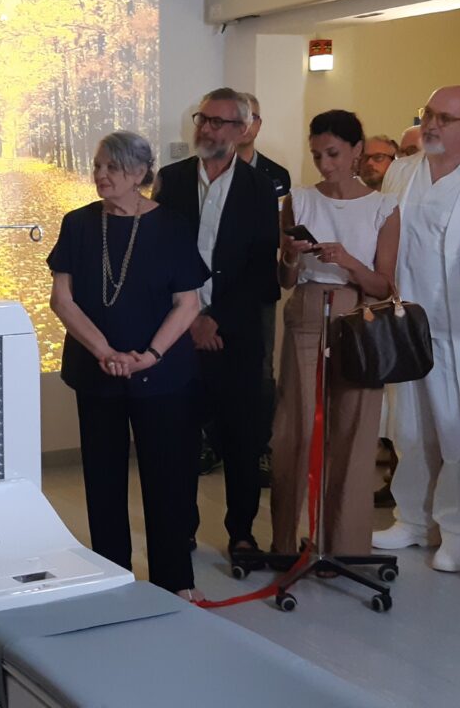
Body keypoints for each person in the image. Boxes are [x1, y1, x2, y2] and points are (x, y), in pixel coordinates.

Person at [48, 131, 207, 600]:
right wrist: (105, 352)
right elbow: (62, 299)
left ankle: (174, 582)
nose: (100, 175)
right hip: (96, 372)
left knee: (167, 479)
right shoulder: (78, 223)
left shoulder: (172, 226)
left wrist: (151, 355)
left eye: (112, 168)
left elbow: (188, 303)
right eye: (98, 165)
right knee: (102, 480)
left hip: (162, 373)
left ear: (139, 173)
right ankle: (111, 579)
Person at [154, 88, 279, 563]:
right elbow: (161, 258)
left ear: (242, 130)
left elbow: (259, 270)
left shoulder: (260, 189)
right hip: (178, 334)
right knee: (179, 439)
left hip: (235, 336)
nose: (206, 129)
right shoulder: (171, 180)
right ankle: (180, 530)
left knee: (241, 439)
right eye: (202, 119)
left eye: (218, 122)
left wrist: (214, 319)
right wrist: (190, 321)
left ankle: (242, 532)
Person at [270, 110, 400, 557]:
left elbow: (384, 286)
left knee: (354, 431)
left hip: (359, 316)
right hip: (307, 309)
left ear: (356, 150)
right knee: (294, 428)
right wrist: (290, 255)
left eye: (333, 154)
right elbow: (286, 279)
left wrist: (346, 260)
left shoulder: (384, 206)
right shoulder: (299, 200)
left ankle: (343, 546)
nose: (325, 165)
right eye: (317, 155)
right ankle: (285, 543)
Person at [372, 86, 460, 572]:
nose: (431, 124)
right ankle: (412, 519)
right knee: (407, 428)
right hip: (407, 323)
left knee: (454, 434)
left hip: (456, 331)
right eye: (429, 114)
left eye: (445, 118)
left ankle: (455, 532)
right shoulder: (403, 172)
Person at [237, 91, 292, 488]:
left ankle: (259, 448)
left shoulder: (277, 176)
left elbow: (279, 234)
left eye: (250, 117)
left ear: (258, 124)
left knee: (260, 372)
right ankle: (210, 443)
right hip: (206, 290)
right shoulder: (198, 173)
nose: (244, 124)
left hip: (258, 287)